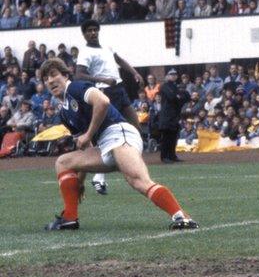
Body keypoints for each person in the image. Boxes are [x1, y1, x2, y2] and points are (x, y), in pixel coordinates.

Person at [40, 58, 197, 231]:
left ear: (65, 75)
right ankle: (69, 218)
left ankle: (182, 218)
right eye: (45, 79)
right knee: (63, 162)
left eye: (53, 75)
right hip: (105, 146)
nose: (50, 81)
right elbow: (85, 146)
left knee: (138, 181)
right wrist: (80, 181)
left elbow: (103, 102)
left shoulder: (75, 87)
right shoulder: (64, 112)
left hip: (120, 135)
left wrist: (89, 134)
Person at [75, 19, 145, 196]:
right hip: (105, 91)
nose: (93, 33)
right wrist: (102, 79)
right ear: (84, 34)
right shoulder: (85, 52)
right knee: (109, 135)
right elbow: (79, 75)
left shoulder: (107, 47)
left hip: (119, 89)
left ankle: (127, 163)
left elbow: (119, 60)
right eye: (89, 30)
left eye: (95, 30)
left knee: (135, 127)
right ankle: (99, 176)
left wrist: (135, 73)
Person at [159, 68, 189, 163]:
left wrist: (178, 96)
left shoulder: (176, 87)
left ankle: (172, 155)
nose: (173, 76)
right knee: (166, 137)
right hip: (167, 116)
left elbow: (187, 97)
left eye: (175, 74)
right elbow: (172, 97)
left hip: (175, 115)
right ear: (167, 76)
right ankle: (164, 157)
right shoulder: (164, 86)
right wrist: (179, 96)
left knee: (173, 137)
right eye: (171, 74)